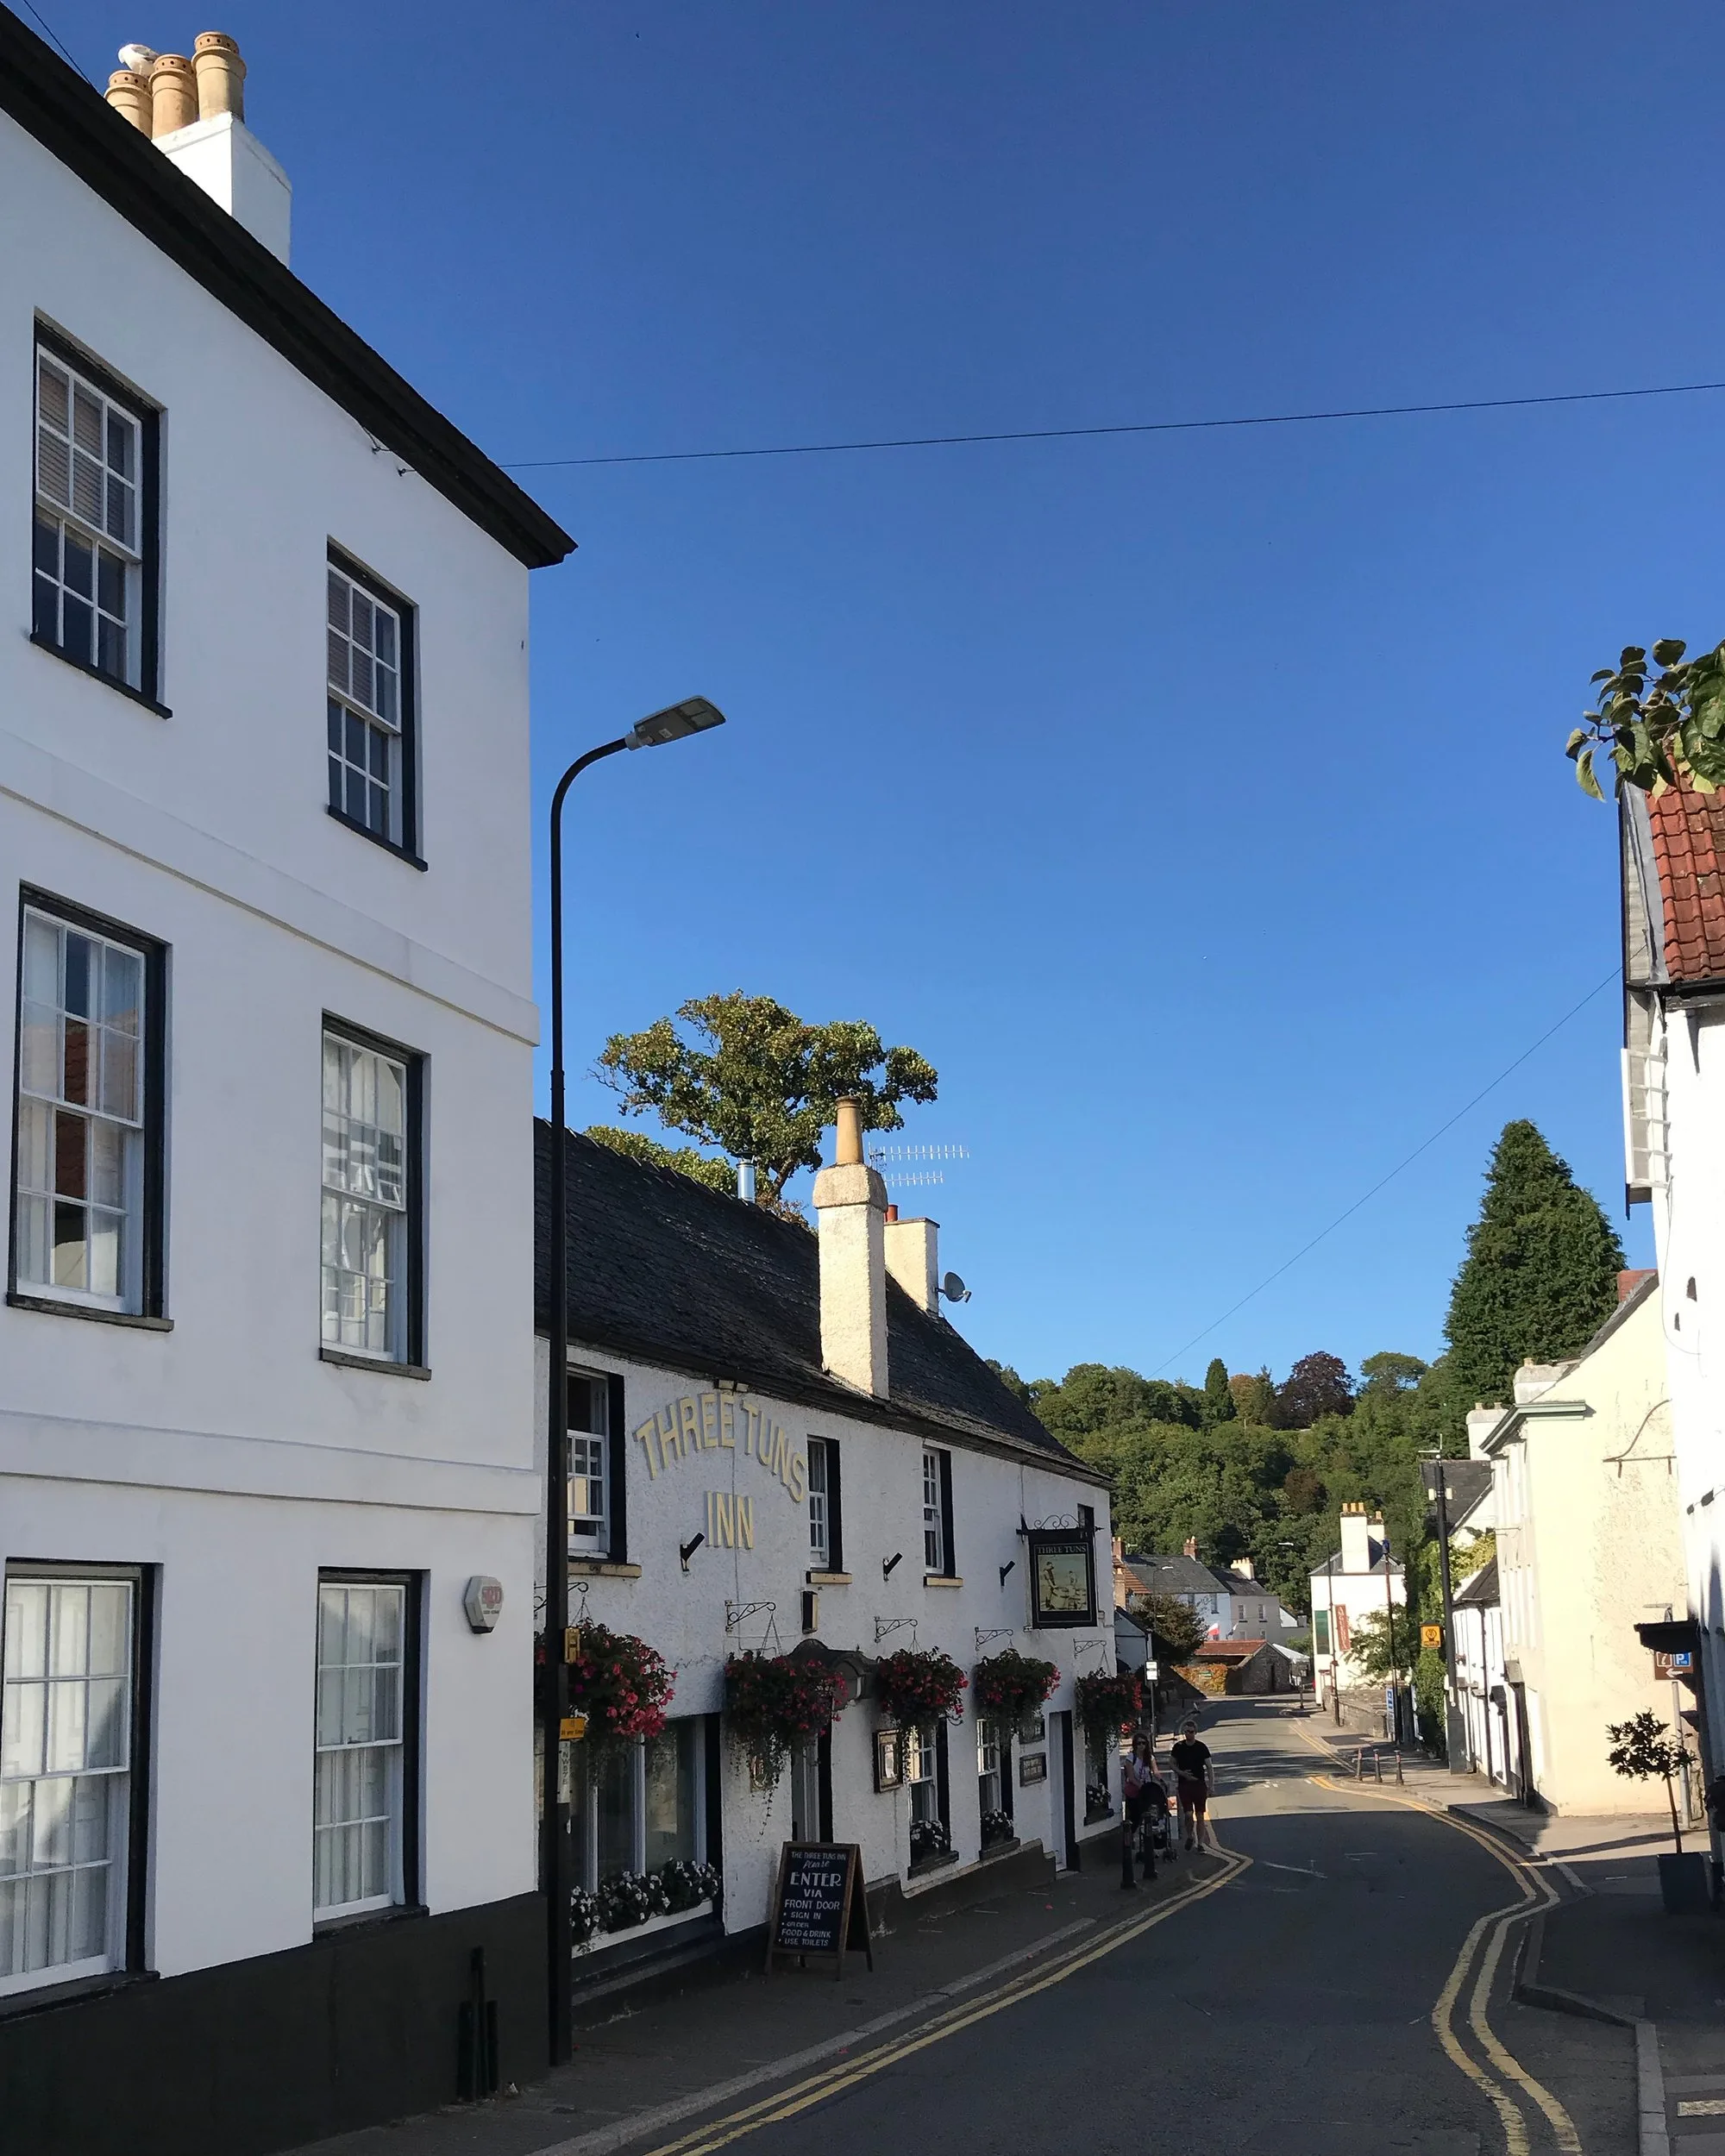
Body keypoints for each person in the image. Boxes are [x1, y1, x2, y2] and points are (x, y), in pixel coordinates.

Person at [1170, 1717, 1214, 1850]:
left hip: (1199, 1784)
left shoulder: (1201, 1747)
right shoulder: (1179, 1747)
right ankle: (1190, 1836)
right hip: (1185, 1785)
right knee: (1188, 1814)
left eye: (1191, 1731)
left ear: (1195, 1732)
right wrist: (1181, 1773)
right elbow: (1171, 1763)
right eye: (1186, 1732)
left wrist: (1211, 1786)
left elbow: (1209, 1767)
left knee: (1200, 1815)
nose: (1188, 1734)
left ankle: (1200, 1844)